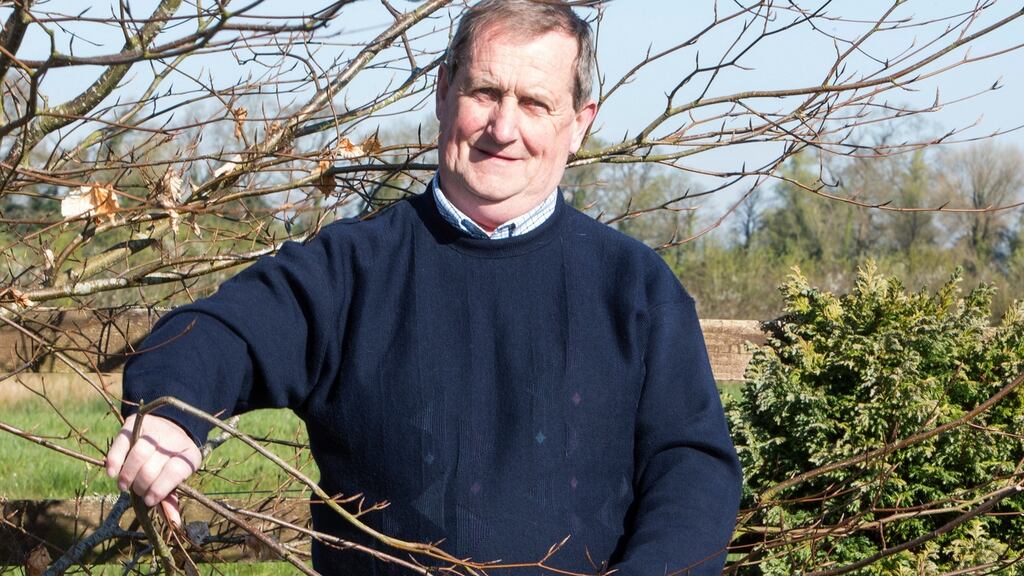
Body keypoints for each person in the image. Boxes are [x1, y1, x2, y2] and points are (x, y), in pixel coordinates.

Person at [105, 0, 742, 573]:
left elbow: (692, 471)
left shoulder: (634, 289)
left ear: (578, 124)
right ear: (443, 94)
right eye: (485, 92)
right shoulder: (350, 271)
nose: (503, 127)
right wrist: (168, 411)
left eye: (535, 104)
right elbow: (216, 335)